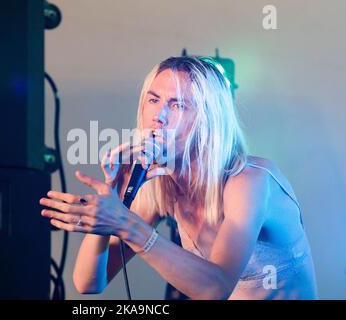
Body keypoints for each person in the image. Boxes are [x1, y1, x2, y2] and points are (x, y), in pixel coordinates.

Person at [39, 56, 318, 299]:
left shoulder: (249, 181)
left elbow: (214, 288)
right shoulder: (160, 185)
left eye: (178, 105)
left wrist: (125, 223)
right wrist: (109, 202)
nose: (158, 115)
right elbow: (87, 284)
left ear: (208, 119)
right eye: (153, 99)